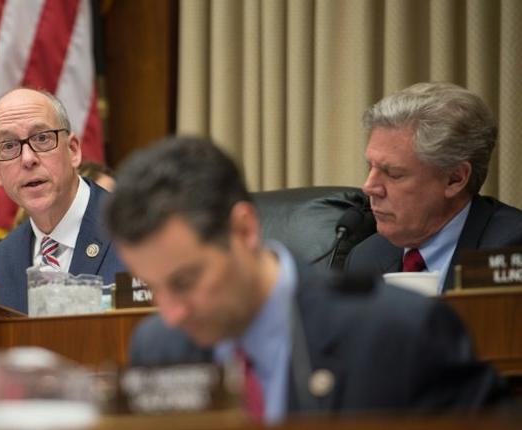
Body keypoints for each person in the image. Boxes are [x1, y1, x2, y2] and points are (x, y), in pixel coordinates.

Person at [104, 136, 502, 424]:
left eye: (186, 281)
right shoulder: (159, 346)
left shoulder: (399, 332)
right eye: (153, 287)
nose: (171, 313)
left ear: (243, 231)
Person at [344, 82, 522, 293]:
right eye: (370, 167)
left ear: (455, 179)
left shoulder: (510, 251)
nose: (369, 187)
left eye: (393, 173)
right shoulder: (366, 257)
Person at [0, 88, 125, 313]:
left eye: (42, 138)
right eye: (9, 146)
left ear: (73, 151)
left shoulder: (133, 227)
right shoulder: (5, 257)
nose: (28, 159)